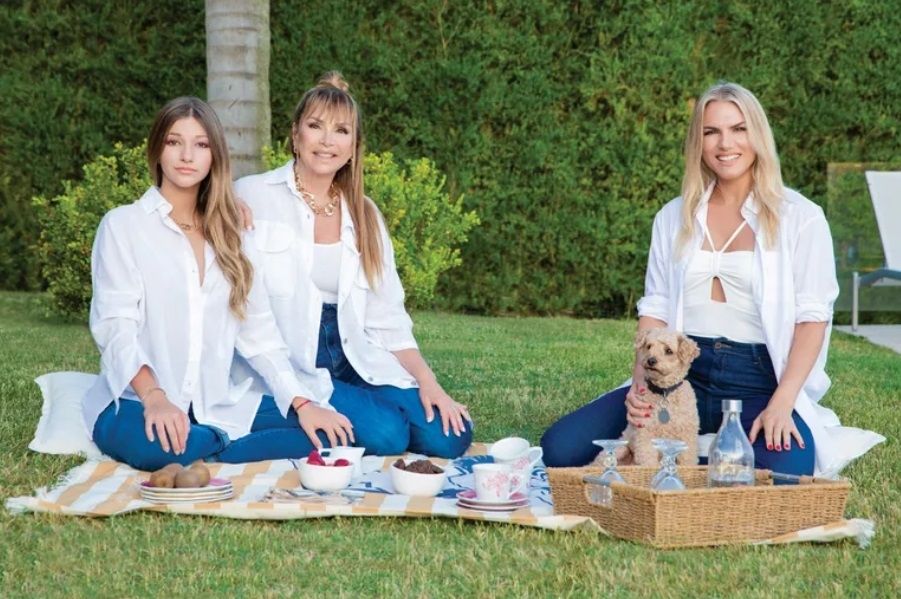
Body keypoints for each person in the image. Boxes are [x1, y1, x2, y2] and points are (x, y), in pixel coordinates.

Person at [541, 82, 884, 477]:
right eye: (711, 131)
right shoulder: (674, 216)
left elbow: (812, 319)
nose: (726, 143)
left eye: (739, 129)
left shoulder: (801, 217)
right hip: (679, 371)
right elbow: (654, 309)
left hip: (757, 380)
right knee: (560, 448)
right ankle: (694, 456)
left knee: (789, 470)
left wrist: (782, 401)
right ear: (698, 142)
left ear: (758, 135)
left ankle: (678, 459)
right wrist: (641, 384)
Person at [83, 97, 354, 471]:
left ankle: (210, 441)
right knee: (161, 450)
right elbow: (115, 327)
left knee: (322, 432)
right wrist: (156, 397)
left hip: (213, 401)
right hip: (134, 400)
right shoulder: (123, 226)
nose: (186, 155)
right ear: (157, 148)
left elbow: (259, 334)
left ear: (214, 156)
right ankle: (218, 442)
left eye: (201, 144)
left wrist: (302, 404)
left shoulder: (232, 235)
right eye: (174, 142)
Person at [233, 72, 473, 458]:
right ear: (295, 135)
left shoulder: (366, 214)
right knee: (388, 436)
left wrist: (428, 383)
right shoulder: (251, 195)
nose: (327, 140)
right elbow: (196, 207)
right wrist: (224, 200)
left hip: (353, 354)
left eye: (341, 131)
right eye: (315, 126)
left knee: (451, 435)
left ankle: (353, 414)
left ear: (353, 146)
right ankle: (252, 427)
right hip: (288, 355)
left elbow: (387, 319)